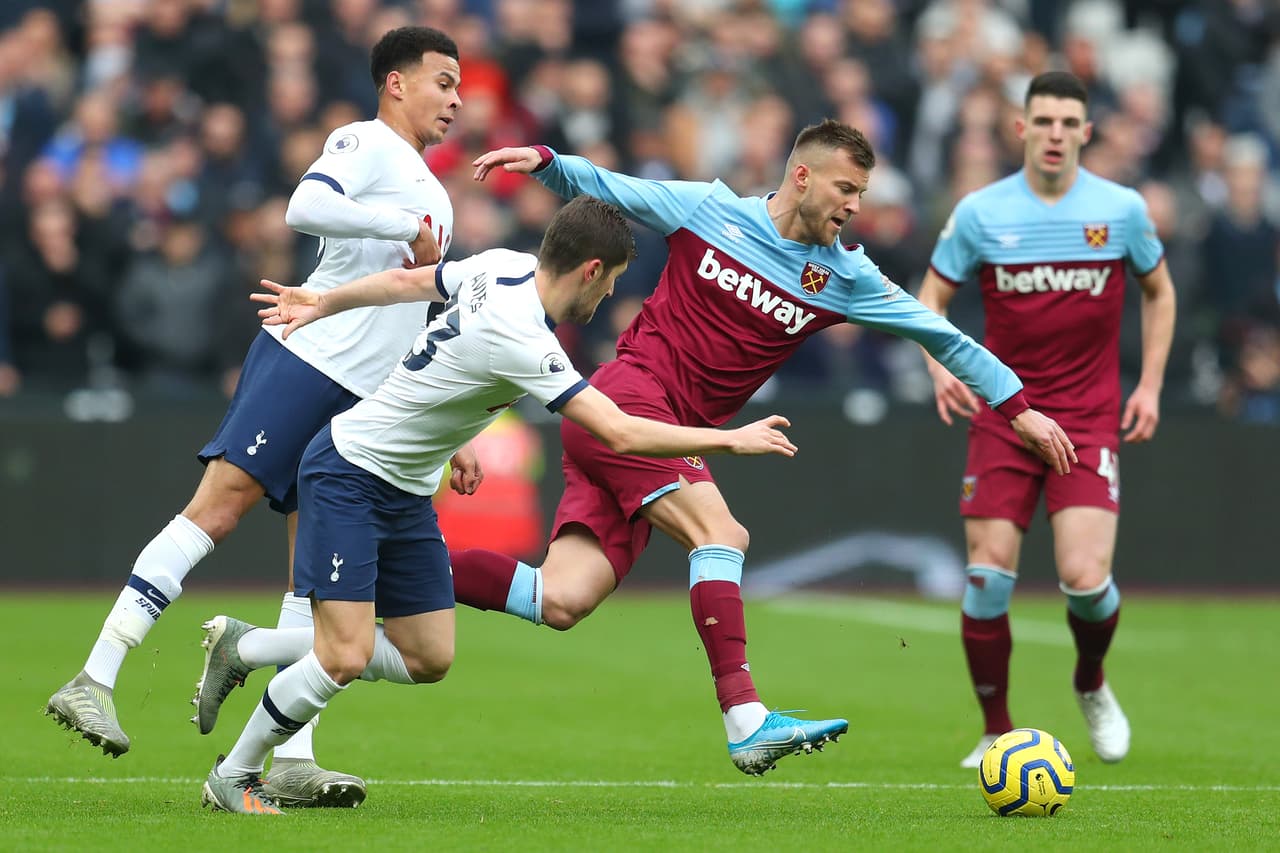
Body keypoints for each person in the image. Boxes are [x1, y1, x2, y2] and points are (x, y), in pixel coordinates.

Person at [453, 120, 1077, 777]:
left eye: (861, 193)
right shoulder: (709, 210)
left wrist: (1019, 408)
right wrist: (546, 160)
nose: (854, 205)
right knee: (721, 533)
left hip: (650, 430)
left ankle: (386, 571)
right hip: (628, 402)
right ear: (801, 177)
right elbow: (614, 188)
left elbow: (943, 337)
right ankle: (746, 718)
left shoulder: (846, 277)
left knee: (560, 598)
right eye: (845, 187)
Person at [194, 195, 802, 814]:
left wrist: (327, 302)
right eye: (612, 280)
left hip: (406, 489)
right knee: (345, 654)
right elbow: (617, 431)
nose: (604, 299)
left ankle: (246, 649)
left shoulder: (501, 266)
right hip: (350, 472)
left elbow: (410, 282)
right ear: (591, 270)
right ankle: (235, 775)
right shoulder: (528, 339)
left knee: (428, 656)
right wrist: (728, 437)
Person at [45, 26, 464, 809]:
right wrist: (396, 226)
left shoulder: (435, 192)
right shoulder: (364, 140)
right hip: (309, 359)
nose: (456, 98)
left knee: (317, 572)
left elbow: (417, 305)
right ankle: (95, 673)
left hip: (365, 398)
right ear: (396, 83)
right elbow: (305, 204)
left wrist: (447, 417)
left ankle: (295, 755)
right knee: (221, 507)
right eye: (442, 80)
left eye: (460, 85)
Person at [914, 71, 1176, 768]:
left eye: (1069, 122)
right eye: (1044, 121)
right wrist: (938, 365)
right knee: (987, 576)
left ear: (1087, 133)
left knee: (1086, 581)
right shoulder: (981, 213)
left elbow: (1160, 291)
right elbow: (931, 294)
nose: (1056, 133)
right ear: (1020, 128)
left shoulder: (1120, 210)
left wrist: (1148, 384)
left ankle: (1090, 680)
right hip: (1006, 414)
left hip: (1087, 418)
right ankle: (997, 729)